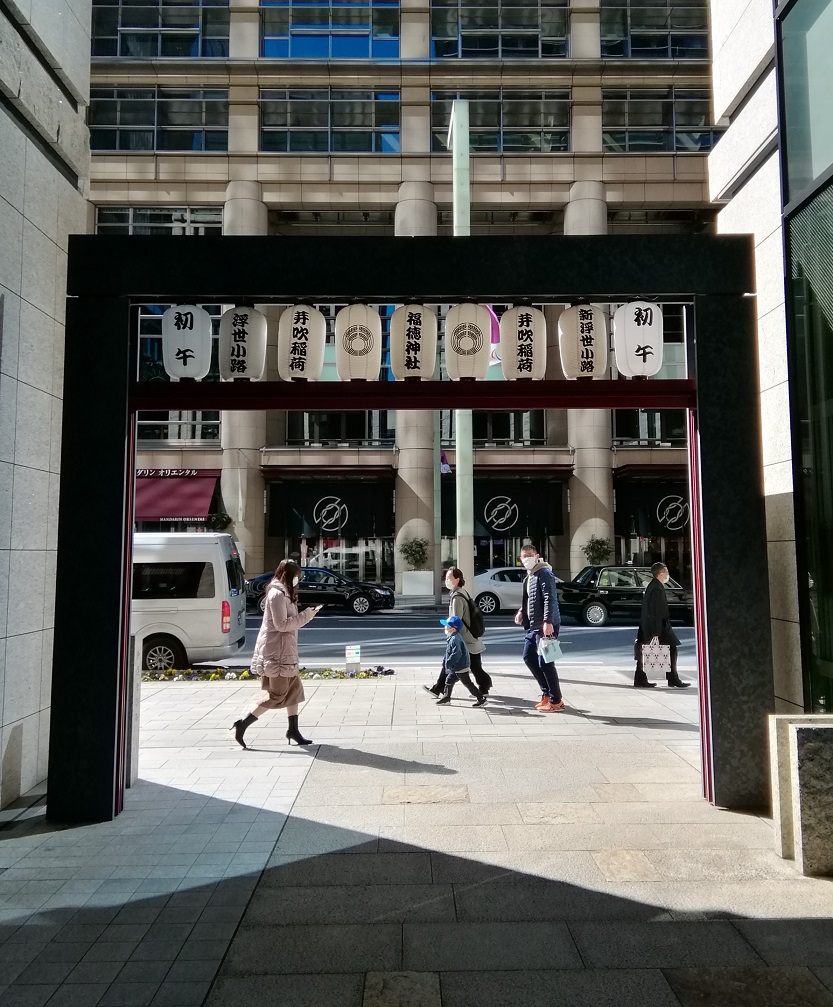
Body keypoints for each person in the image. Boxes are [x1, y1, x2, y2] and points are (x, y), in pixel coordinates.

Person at [231, 559, 322, 749]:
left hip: (285, 651)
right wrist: (307, 615)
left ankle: (293, 730)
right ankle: (243, 724)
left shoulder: (285, 593)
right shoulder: (277, 594)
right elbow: (281, 625)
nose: (299, 579)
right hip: (277, 653)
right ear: (288, 575)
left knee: (295, 691)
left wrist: (306, 614)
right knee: (277, 695)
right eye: (296, 575)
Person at [423, 566, 492, 698]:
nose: (446, 580)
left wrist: (450, 632)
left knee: (449, 662)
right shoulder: (462, 592)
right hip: (469, 636)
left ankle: (439, 689)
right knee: (475, 665)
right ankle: (483, 687)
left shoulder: (457, 597)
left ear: (457, 579)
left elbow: (456, 620)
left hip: (463, 638)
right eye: (446, 578)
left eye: (449, 578)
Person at [514, 544, 565, 712]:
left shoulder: (544, 573)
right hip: (534, 625)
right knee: (528, 657)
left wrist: (548, 621)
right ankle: (547, 694)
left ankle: (556, 700)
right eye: (524, 556)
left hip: (545, 624)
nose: (527, 558)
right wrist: (522, 611)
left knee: (546, 662)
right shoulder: (530, 576)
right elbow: (530, 599)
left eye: (530, 555)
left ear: (537, 556)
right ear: (520, 559)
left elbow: (550, 598)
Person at [634, 561, 690, 688]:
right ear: (661, 573)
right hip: (658, 627)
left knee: (645, 651)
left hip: (650, 626)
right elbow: (656, 611)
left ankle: (640, 678)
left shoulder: (653, 586)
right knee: (672, 649)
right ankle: (672, 679)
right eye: (666, 571)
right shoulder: (657, 588)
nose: (667, 574)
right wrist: (656, 633)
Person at [435, 615, 487, 707]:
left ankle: (481, 698)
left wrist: (449, 662)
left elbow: (457, 653)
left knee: (468, 684)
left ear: (453, 628)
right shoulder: (454, 637)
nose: (445, 627)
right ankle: (446, 698)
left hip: (460, 666)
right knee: (449, 681)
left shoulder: (455, 639)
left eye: (447, 626)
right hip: (458, 666)